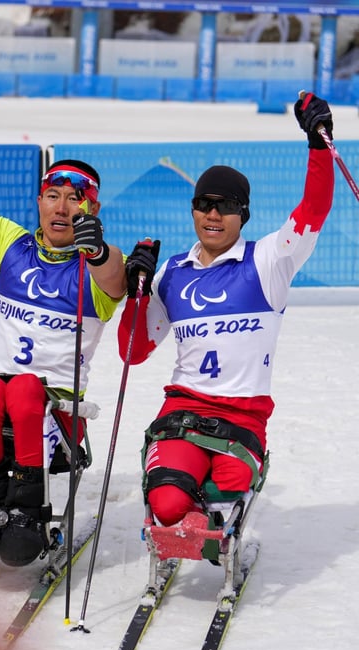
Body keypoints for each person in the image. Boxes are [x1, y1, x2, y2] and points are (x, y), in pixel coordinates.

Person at [0, 79, 127, 566]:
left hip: (57, 410)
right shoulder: (9, 244)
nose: (62, 207)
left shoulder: (95, 264)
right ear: (39, 201)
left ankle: (30, 508)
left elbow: (114, 274)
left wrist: (95, 250)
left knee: (26, 389)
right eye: (53, 195)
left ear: (91, 208)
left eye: (75, 200)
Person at [119, 93, 334, 529]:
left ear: (244, 215)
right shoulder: (172, 272)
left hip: (242, 414)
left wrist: (318, 144)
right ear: (194, 209)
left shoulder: (269, 261)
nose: (214, 214)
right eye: (205, 204)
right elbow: (132, 351)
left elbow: (313, 209)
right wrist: (135, 294)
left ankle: (213, 511)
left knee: (225, 499)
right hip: (183, 409)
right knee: (166, 504)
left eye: (227, 206)